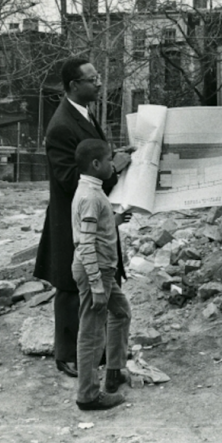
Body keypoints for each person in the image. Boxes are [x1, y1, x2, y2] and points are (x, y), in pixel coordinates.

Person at [33, 57, 132, 379]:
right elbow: (67, 177)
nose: (99, 83)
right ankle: (67, 354)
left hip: (90, 212)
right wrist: (113, 166)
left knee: (98, 280)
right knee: (70, 284)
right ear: (75, 86)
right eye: (92, 79)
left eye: (98, 76)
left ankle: (95, 349)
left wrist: (114, 159)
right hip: (71, 217)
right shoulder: (62, 125)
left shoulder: (83, 114)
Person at [71, 139, 131, 410]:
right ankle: (88, 395)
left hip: (102, 271)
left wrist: (114, 220)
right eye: (109, 160)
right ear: (96, 164)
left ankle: (114, 371)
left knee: (121, 312)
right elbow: (85, 244)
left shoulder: (90, 190)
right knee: (92, 334)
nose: (112, 164)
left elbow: (92, 229)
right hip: (97, 272)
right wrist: (96, 285)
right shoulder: (91, 196)